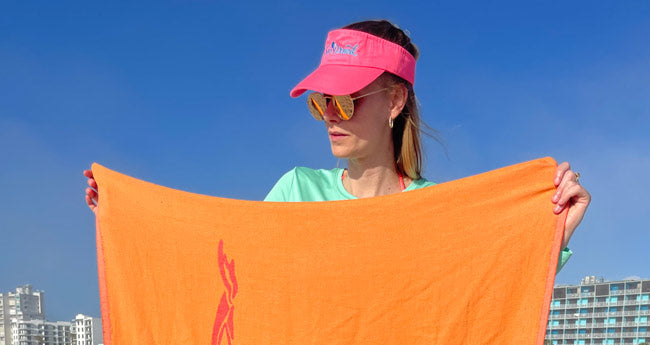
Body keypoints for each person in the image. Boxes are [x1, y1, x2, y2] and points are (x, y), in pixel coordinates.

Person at [84, 18, 591, 258]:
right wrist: (130, 215)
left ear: (394, 101)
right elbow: (228, 258)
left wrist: (556, 231)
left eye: (347, 100)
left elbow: (490, 293)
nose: (330, 115)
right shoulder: (296, 191)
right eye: (321, 101)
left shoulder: (434, 210)